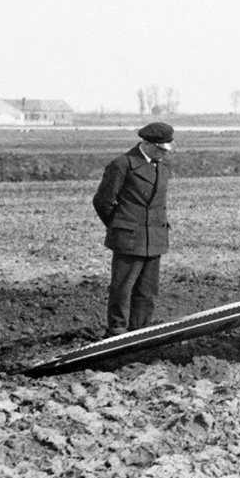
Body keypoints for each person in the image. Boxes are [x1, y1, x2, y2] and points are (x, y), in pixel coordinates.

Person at [93, 122, 175, 336]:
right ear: (147, 144)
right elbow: (103, 201)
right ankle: (117, 331)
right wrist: (120, 226)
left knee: (148, 290)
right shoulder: (122, 165)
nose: (164, 155)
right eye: (160, 150)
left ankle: (140, 331)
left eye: (166, 150)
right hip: (129, 238)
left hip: (155, 237)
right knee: (123, 288)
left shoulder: (162, 168)